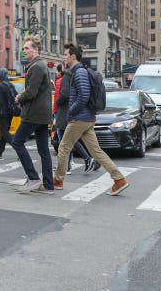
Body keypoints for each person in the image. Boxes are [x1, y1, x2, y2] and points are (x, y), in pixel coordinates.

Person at [54, 44, 129, 195]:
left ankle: (57, 180)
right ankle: (119, 179)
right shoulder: (78, 71)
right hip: (87, 118)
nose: (64, 57)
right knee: (96, 151)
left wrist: (71, 111)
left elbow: (83, 96)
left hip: (79, 118)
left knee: (63, 148)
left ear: (73, 56)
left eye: (66, 54)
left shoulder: (79, 72)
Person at [10, 36, 55, 193]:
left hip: (34, 113)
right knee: (43, 150)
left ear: (36, 49)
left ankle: (33, 178)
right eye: (23, 48)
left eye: (27, 48)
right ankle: (48, 185)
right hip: (43, 114)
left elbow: (31, 92)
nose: (24, 51)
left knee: (17, 142)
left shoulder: (36, 66)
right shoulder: (40, 65)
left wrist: (18, 98)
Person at [54, 64, 95, 174]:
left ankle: (69, 166)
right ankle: (85, 160)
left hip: (65, 112)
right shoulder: (72, 75)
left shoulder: (66, 77)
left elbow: (65, 94)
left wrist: (57, 103)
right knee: (69, 140)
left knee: (65, 140)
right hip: (69, 112)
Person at [0, 68, 17, 159]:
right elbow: (16, 97)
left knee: (5, 133)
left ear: (0, 75)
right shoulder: (11, 85)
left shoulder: (1, 86)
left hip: (2, 114)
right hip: (10, 113)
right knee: (4, 133)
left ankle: (18, 148)